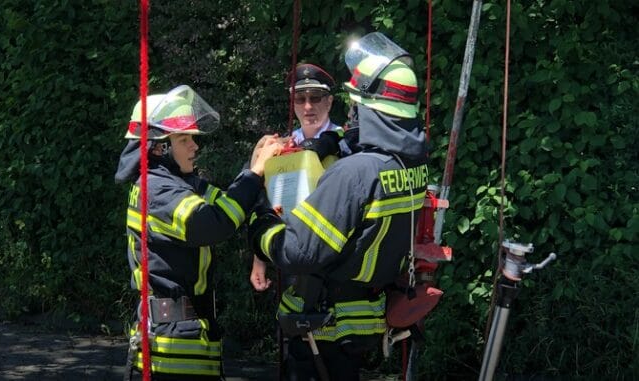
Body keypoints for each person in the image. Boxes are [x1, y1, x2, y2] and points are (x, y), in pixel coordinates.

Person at [247, 32, 429, 380]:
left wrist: (262, 224)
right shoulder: (409, 168)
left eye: (356, 104)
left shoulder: (354, 172)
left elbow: (300, 252)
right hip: (363, 321)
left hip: (321, 325)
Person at [114, 84, 281, 380]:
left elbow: (231, 204)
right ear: (159, 147)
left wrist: (254, 164)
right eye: (184, 139)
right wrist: (254, 175)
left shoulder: (181, 186)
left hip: (188, 337)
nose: (195, 146)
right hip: (170, 350)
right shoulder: (157, 191)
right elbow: (212, 225)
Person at [249, 63, 346, 292]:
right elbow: (264, 203)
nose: (308, 106)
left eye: (316, 97)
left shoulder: (347, 142)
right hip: (292, 252)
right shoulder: (279, 149)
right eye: (300, 99)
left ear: (330, 102)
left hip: (336, 255)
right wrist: (259, 259)